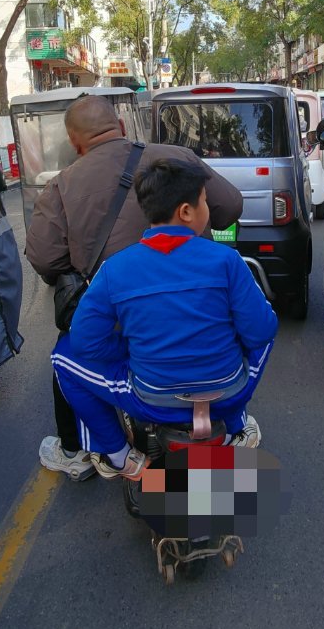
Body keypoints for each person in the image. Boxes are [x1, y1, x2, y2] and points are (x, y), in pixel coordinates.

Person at [26, 96, 243, 480]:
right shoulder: (177, 157)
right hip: (204, 325)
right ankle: (238, 427)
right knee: (238, 338)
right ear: (124, 127)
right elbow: (231, 207)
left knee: (66, 354)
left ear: (75, 144)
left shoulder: (61, 187)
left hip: (123, 327)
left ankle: (80, 451)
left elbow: (45, 260)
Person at [53, 157, 277, 479]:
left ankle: (119, 456)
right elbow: (260, 332)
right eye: (204, 202)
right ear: (186, 211)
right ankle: (234, 428)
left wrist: (129, 352)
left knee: (63, 357)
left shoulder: (115, 268)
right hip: (227, 391)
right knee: (265, 330)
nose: (207, 210)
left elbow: (86, 341)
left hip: (151, 399)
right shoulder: (228, 260)